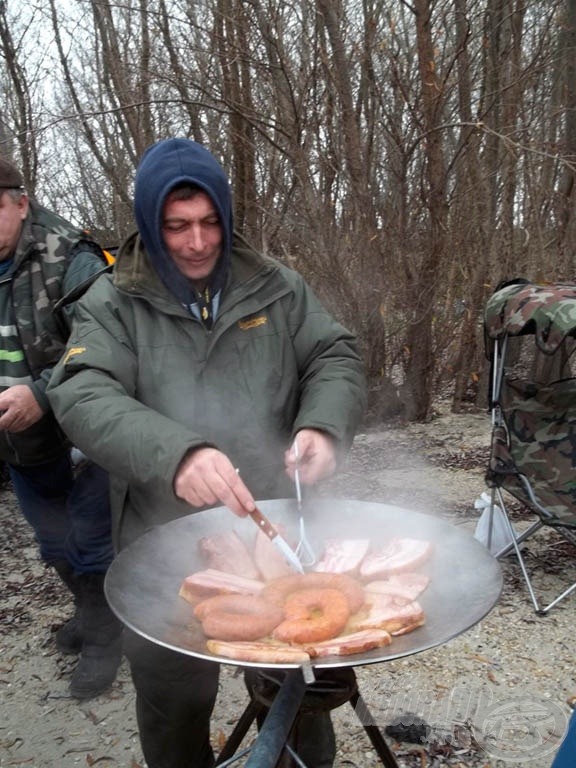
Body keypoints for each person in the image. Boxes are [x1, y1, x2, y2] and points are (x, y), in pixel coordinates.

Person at [47, 137, 367, 768]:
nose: (196, 243)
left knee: (299, 685)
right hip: (165, 539)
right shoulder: (112, 303)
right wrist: (178, 453)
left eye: (209, 223)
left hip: (280, 525)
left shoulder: (277, 288)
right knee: (172, 700)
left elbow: (335, 355)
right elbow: (81, 392)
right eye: (176, 227)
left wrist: (323, 426)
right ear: (149, 224)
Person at [0, 157, 122, 699]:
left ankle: (104, 640)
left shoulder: (72, 256)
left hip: (85, 435)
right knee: (54, 544)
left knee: (93, 543)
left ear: (21, 203)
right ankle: (90, 614)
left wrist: (43, 393)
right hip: (20, 444)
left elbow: (111, 340)